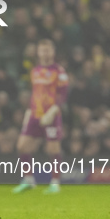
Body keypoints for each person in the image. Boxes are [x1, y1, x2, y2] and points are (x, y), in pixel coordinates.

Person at [13, 39, 69, 194]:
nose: (45, 53)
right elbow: (35, 93)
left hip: (51, 115)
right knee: (22, 146)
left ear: (53, 52)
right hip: (35, 114)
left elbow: (63, 94)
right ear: (38, 52)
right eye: (42, 50)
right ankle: (29, 180)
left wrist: (53, 111)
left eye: (48, 50)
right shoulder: (35, 70)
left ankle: (55, 182)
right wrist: (29, 111)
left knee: (52, 148)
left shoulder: (59, 71)